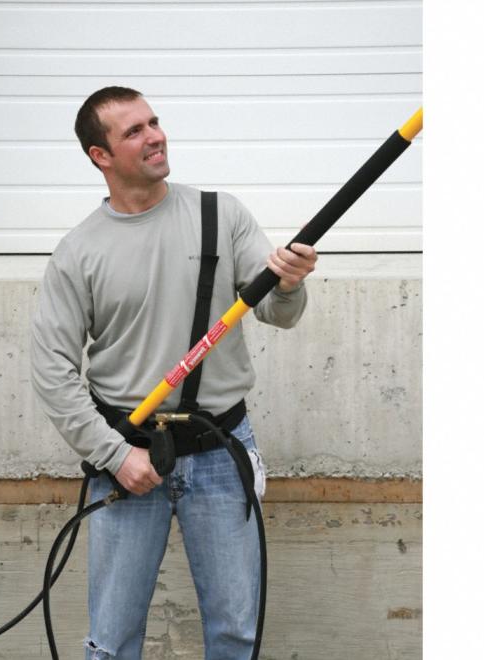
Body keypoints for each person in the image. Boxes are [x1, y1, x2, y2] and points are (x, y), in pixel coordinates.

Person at [31, 86, 317, 659]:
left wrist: (289, 284)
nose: (155, 136)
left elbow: (277, 313)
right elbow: (52, 370)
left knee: (235, 634)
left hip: (220, 450)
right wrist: (115, 456)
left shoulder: (220, 215)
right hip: (128, 455)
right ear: (100, 155)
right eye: (133, 131)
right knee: (111, 642)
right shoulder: (79, 251)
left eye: (154, 122)